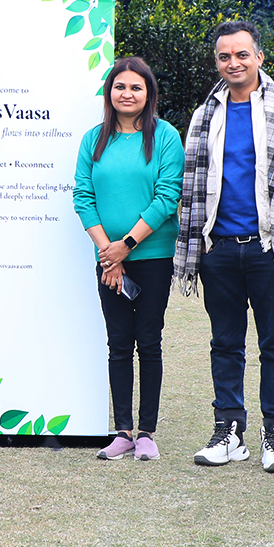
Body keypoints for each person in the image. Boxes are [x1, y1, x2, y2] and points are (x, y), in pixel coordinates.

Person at [176, 21, 274, 473]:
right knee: (225, 342)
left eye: (241, 55)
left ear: (259, 57)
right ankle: (228, 430)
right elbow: (192, 183)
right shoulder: (204, 115)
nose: (233, 63)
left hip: (269, 248)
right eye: (223, 56)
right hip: (217, 248)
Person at [71, 57, 183, 462]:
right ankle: (122, 431)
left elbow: (167, 197)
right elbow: (83, 197)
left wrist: (126, 246)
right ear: (110, 92)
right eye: (120, 87)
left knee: (148, 342)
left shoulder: (166, 137)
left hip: (152, 256)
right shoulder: (93, 140)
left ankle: (148, 432)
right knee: (118, 344)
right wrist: (109, 253)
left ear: (148, 93)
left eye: (136, 87)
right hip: (108, 261)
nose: (128, 94)